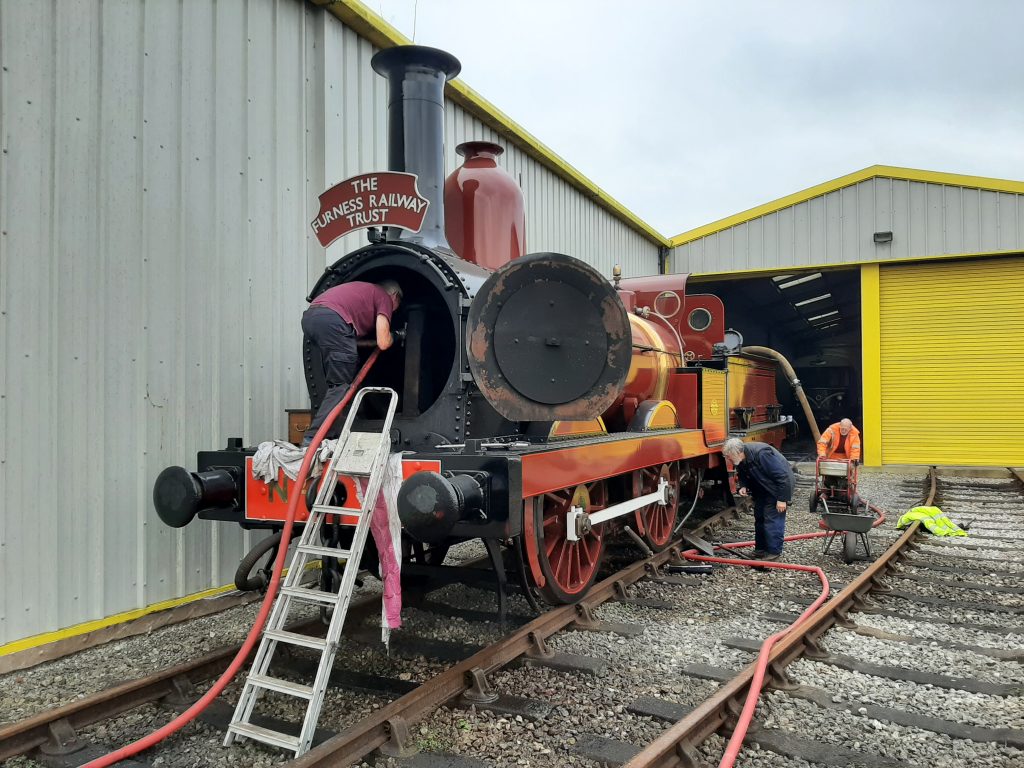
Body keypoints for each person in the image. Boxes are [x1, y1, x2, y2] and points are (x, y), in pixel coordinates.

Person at [300, 279, 402, 446]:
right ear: (395, 296)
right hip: (334, 321)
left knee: (342, 373)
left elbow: (350, 342)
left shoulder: (363, 293)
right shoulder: (384, 297)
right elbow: (383, 342)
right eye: (398, 303)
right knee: (341, 386)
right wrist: (396, 336)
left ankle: (335, 430)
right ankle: (313, 438)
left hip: (311, 318)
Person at [722, 437, 794, 561]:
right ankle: (760, 550)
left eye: (729, 456)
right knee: (760, 517)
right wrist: (744, 486)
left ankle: (773, 552)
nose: (728, 459)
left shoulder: (762, 454)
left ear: (738, 453)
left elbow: (783, 476)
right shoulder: (741, 458)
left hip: (776, 489)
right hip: (762, 489)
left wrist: (782, 499)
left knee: (772, 519)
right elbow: (742, 471)